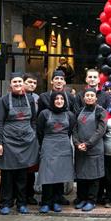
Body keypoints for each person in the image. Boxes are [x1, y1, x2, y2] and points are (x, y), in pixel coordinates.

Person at [0, 73, 39, 215]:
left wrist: (33, 134)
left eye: (20, 81)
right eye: (15, 82)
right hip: (8, 141)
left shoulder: (30, 99)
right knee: (7, 174)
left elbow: (33, 120)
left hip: (26, 142)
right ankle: (5, 203)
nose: (18, 84)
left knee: (22, 175)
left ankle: (21, 203)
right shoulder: (4, 101)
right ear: (10, 85)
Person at [37, 69, 76, 205]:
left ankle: (58, 197)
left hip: (63, 141)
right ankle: (47, 200)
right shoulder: (43, 97)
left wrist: (64, 137)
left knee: (61, 169)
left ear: (64, 82)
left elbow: (71, 125)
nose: (59, 81)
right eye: (56, 79)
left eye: (61, 79)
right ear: (52, 81)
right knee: (48, 170)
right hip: (49, 140)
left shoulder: (71, 98)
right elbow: (40, 128)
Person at [72, 88, 107, 211]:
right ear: (83, 98)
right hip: (80, 149)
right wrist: (77, 143)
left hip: (94, 149)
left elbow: (100, 131)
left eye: (92, 95)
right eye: (87, 95)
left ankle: (91, 200)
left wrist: (88, 144)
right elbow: (74, 129)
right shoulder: (79, 111)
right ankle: (81, 198)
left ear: (96, 98)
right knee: (81, 176)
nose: (90, 97)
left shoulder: (101, 111)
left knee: (94, 177)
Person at [22, 73, 40, 205]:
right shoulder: (12, 97)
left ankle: (29, 195)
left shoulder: (37, 99)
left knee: (31, 169)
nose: (32, 85)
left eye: (34, 83)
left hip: (32, 137)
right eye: (29, 82)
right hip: (16, 137)